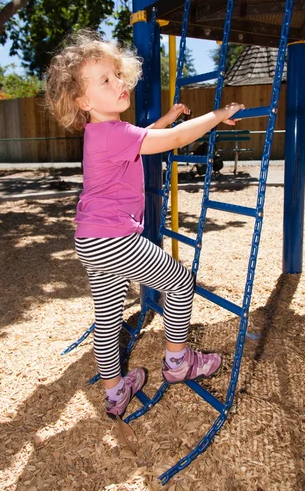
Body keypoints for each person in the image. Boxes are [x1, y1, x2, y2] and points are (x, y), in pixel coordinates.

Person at [44, 30, 245, 420]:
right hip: (115, 239)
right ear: (83, 100)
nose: (118, 83)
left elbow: (144, 138)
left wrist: (165, 118)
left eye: (117, 74)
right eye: (105, 80)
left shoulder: (99, 133)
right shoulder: (116, 133)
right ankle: (178, 362)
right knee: (180, 281)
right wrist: (216, 116)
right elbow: (174, 140)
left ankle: (116, 391)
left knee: (107, 317)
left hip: (89, 239)